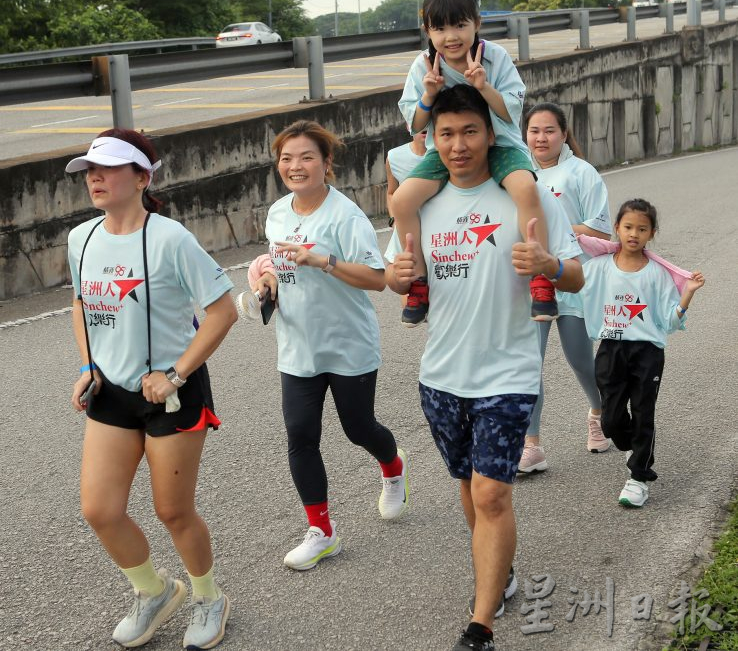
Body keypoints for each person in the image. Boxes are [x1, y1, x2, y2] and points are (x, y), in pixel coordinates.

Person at [385, 84, 583, 651]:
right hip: (441, 378)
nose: (458, 144)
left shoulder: (527, 194)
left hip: (509, 373)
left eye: (469, 131)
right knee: (471, 492)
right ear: (432, 139)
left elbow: (578, 275)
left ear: (490, 133)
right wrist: (399, 277)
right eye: (446, 133)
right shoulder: (421, 202)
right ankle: (501, 573)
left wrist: (548, 263)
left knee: (493, 494)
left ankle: (481, 626)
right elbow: (391, 273)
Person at [65, 129, 237, 649]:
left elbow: (222, 310)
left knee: (173, 510)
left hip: (173, 390)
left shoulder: (170, 238)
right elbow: (81, 304)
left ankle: (209, 597)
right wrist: (91, 364)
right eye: (90, 169)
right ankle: (156, 591)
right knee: (100, 509)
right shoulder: (82, 238)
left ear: (142, 177)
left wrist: (177, 373)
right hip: (112, 391)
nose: (95, 176)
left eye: (109, 167)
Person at [251, 119, 409, 572]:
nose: (295, 166)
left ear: (326, 164)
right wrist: (267, 281)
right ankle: (322, 531)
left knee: (358, 429)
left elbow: (377, 280)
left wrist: (323, 261)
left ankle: (393, 465)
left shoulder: (345, 216)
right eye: (286, 158)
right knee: (301, 436)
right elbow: (275, 265)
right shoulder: (278, 212)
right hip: (297, 346)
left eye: (306, 157)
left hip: (347, 345)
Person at [393, 0, 557, 327]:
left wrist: (484, 86)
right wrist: (429, 93)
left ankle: (541, 278)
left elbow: (511, 111)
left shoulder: (494, 56)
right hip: (447, 152)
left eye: (459, 25)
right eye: (440, 28)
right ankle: (420, 283)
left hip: (500, 145)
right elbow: (416, 124)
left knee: (526, 190)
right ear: (428, 31)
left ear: (477, 23)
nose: (451, 36)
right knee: (403, 200)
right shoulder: (422, 65)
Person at [574, 198, 705, 507]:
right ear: (617, 228)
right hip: (610, 350)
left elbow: (669, 321)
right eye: (628, 227)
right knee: (610, 422)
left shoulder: (657, 274)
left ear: (652, 234)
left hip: (647, 353)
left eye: (642, 229)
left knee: (644, 413)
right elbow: (572, 285)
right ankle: (636, 446)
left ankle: (639, 476)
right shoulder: (598, 267)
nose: (634, 234)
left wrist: (687, 295)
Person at [518, 102, 613, 473]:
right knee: (529, 365)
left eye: (549, 131)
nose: (541, 138)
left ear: (563, 134)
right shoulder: (517, 173)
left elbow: (602, 230)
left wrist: (557, 230)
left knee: (580, 360)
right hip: (529, 282)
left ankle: (599, 410)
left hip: (573, 277)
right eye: (534, 131)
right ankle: (532, 445)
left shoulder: (581, 172)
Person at [386, 129, 427, 225]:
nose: (424, 125)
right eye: (418, 120)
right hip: (409, 228)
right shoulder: (394, 157)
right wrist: (394, 221)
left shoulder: (447, 153)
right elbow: (391, 193)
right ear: (408, 125)